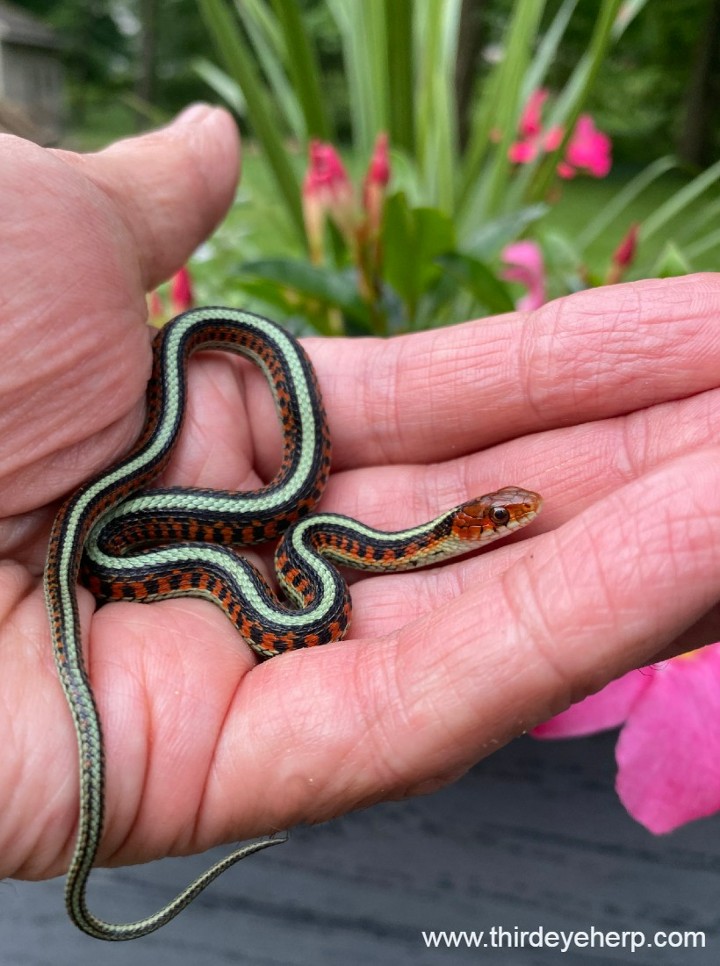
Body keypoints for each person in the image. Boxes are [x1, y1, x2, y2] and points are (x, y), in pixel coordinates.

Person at [2, 105, 719, 886]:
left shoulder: (317, 544)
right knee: (252, 542)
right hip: (126, 547)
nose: (519, 518)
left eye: (509, 516)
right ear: (470, 527)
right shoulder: (304, 547)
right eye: (506, 516)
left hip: (243, 547)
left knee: (292, 555)